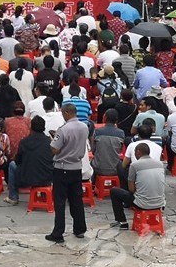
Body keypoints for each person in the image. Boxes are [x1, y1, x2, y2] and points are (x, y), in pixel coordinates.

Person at [45, 104, 89, 243]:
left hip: (62, 168)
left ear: (67, 113)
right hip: (76, 167)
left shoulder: (63, 129)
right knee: (76, 200)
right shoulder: (84, 127)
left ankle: (58, 232)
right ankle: (80, 229)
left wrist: (52, 140)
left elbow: (55, 149)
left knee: (59, 202)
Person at [106, 143, 166, 230]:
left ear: (138, 152)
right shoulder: (160, 164)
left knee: (114, 191)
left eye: (134, 152)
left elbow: (131, 189)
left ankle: (122, 222)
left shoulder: (134, 165)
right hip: (160, 203)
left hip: (142, 204)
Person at [92, 108, 125, 177]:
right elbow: (120, 150)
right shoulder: (121, 133)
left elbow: (93, 150)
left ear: (105, 118)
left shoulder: (97, 132)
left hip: (98, 168)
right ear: (116, 120)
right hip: (115, 169)